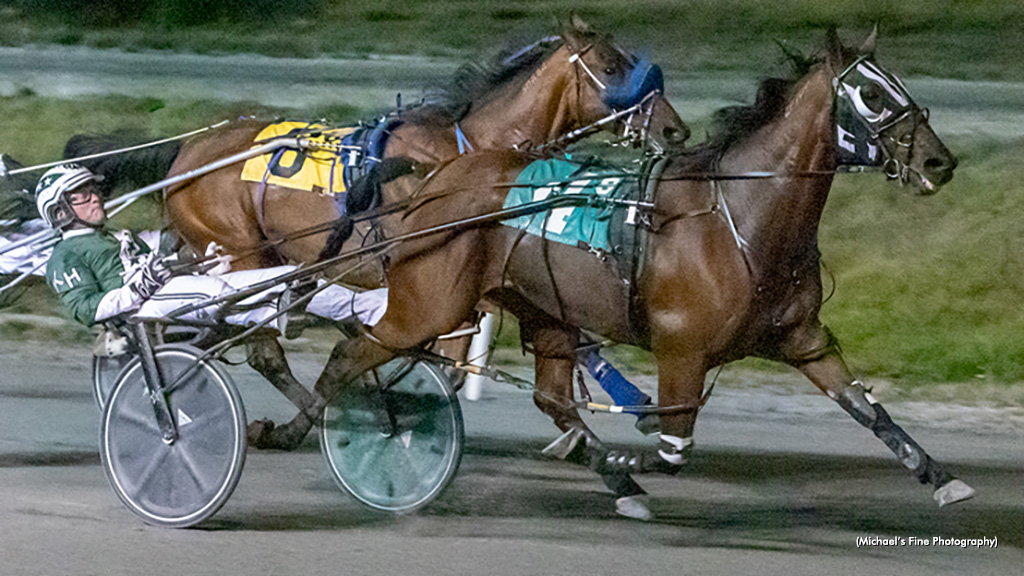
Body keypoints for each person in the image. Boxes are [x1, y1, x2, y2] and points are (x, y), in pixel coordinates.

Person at [36, 163, 387, 333]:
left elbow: (160, 264)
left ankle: (374, 306)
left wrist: (201, 264)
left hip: (171, 289)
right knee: (219, 292)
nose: (95, 197)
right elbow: (87, 309)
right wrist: (140, 287)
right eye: (81, 195)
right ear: (60, 212)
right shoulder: (63, 258)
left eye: (93, 190)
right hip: (142, 306)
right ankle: (274, 314)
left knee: (292, 275)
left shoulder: (114, 236)